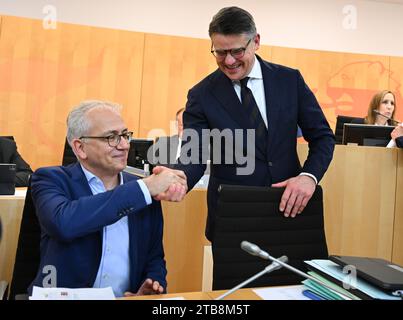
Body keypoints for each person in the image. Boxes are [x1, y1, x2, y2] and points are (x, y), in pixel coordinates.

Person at [160, 7, 335, 242]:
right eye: (220, 52)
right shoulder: (202, 95)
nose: (229, 61)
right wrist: (179, 177)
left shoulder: (289, 80)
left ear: (256, 42)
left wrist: (308, 176)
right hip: (232, 215)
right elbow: (194, 156)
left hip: (291, 209)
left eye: (237, 51)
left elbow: (322, 137)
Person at [29, 100, 187, 297]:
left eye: (124, 135)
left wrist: (152, 286)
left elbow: (154, 257)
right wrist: (144, 188)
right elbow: (64, 223)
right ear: (80, 148)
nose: (124, 145)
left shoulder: (143, 190)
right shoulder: (50, 179)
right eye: (111, 137)